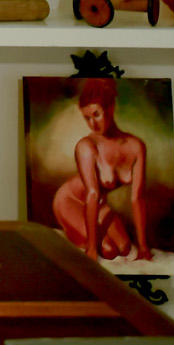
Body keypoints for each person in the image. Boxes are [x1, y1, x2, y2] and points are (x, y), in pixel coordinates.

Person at [49, 77, 152, 263]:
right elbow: (92, 194)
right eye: (87, 118)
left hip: (99, 205)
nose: (92, 124)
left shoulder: (136, 146)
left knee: (124, 248)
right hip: (70, 200)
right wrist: (91, 248)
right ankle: (75, 234)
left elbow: (138, 198)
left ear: (110, 107)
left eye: (96, 114)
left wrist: (143, 246)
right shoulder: (87, 146)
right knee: (108, 250)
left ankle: (86, 236)